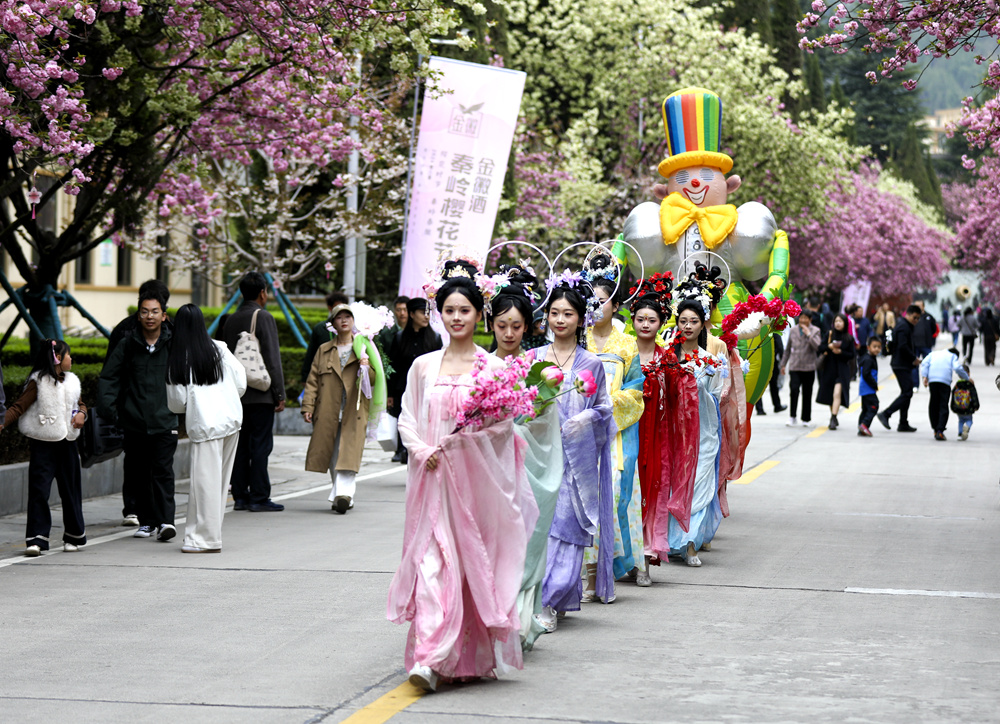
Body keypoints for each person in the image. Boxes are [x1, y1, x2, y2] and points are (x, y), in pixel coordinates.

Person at [386, 259, 538, 691]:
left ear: (479, 315)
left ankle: (461, 656)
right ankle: (429, 659)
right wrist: (422, 449)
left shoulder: (492, 369)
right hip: (431, 482)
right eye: (449, 310)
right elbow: (407, 418)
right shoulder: (423, 367)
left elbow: (503, 427)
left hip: (473, 488)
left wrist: (461, 443)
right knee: (432, 564)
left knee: (470, 568)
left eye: (464, 311)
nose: (456, 318)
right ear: (440, 314)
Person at [485, 264, 563, 650]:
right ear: (492, 325)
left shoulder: (538, 370)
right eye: (502, 325)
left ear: (527, 326)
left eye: (517, 325)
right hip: (486, 474)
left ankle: (518, 621)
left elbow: (546, 427)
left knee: (526, 546)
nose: (510, 333)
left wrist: (515, 428)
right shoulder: (478, 368)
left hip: (526, 474)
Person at [532, 274, 615, 632]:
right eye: (554, 313)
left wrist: (584, 417)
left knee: (567, 525)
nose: (560, 320)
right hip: (538, 458)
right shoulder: (533, 358)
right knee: (541, 528)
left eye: (568, 314)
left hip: (575, 461)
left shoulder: (590, 364)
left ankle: (555, 596)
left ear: (581, 319)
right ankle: (542, 598)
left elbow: (604, 409)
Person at [651, 268, 728, 567]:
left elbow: (718, 394)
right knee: (674, 483)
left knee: (700, 482)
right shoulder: (668, 357)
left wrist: (701, 380)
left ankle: (691, 542)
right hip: (673, 430)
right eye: (682, 321)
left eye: (693, 321)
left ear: (702, 323)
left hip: (704, 430)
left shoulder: (711, 360)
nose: (687, 326)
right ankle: (672, 540)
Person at [582, 251, 648, 595]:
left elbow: (636, 391)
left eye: (603, 301)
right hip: (580, 433)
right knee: (582, 498)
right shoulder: (578, 343)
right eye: (590, 301)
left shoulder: (627, 346)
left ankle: (605, 566)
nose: (597, 308)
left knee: (613, 496)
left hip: (617, 435)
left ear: (616, 304)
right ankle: (588, 570)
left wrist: (605, 406)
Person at [99, 289, 179, 541]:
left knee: (163, 472)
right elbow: (108, 378)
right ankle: (147, 521)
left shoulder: (173, 344)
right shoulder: (128, 344)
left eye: (155, 311)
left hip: (165, 421)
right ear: (138, 315)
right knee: (141, 474)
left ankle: (166, 521)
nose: (150, 316)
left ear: (164, 315)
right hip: (134, 423)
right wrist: (111, 412)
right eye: (144, 311)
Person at [166, 305, 247, 553]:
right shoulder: (220, 348)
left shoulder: (179, 357)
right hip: (231, 420)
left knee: (204, 485)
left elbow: (177, 403)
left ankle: (205, 539)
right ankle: (208, 534)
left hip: (205, 425)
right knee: (219, 484)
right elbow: (241, 381)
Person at [3, 340, 88, 555]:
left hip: (68, 445)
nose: (71, 359)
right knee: (39, 491)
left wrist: (82, 415)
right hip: (43, 445)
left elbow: (81, 405)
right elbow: (19, 406)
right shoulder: (38, 381)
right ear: (58, 358)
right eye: (68, 355)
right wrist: (2, 422)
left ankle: (73, 536)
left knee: (71, 491)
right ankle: (37, 539)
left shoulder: (72, 381)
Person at [302, 300, 387, 514]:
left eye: (348, 317)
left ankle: (343, 495)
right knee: (332, 452)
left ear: (353, 321)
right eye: (339, 318)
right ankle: (341, 494)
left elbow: (376, 379)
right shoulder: (324, 350)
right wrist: (308, 406)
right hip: (328, 409)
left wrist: (366, 367)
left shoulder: (364, 347)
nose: (344, 321)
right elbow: (312, 380)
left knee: (349, 451)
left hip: (354, 408)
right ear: (333, 323)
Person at [223, 272, 287, 512]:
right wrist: (279, 393)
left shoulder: (230, 320)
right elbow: (272, 357)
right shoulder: (263, 317)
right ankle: (259, 496)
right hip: (260, 395)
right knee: (260, 445)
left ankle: (240, 496)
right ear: (262, 293)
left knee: (240, 446)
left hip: (236, 395)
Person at [631, 273, 675, 583]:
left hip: (656, 434)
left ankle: (646, 558)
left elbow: (676, 402)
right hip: (627, 430)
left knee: (651, 492)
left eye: (652, 319)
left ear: (661, 323)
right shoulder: (623, 353)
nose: (646, 324)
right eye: (640, 319)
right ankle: (624, 557)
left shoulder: (667, 359)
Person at [387, 297, 442, 464]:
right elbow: (392, 367)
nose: (426, 317)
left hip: (427, 390)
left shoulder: (435, 339)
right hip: (402, 389)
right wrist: (390, 394)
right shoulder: (398, 338)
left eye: (428, 313)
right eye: (422, 313)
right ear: (412, 314)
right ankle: (402, 449)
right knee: (404, 420)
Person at [877, 304, 922, 433]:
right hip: (900, 364)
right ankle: (886, 414)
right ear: (908, 314)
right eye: (915, 317)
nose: (916, 321)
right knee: (907, 392)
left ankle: (903, 423)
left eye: (918, 318)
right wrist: (914, 358)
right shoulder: (903, 327)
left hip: (903, 363)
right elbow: (902, 346)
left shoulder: (906, 325)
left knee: (906, 393)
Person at [815, 313, 856, 431]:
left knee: (837, 393)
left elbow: (852, 355)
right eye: (836, 321)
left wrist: (840, 352)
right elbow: (820, 348)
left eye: (840, 321)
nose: (838, 323)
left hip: (842, 370)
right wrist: (830, 347)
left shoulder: (848, 338)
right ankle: (834, 414)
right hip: (829, 368)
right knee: (829, 394)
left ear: (845, 323)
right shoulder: (829, 334)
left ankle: (833, 418)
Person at [780, 312, 821, 427]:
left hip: (809, 367)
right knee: (794, 390)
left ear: (810, 319)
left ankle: (806, 418)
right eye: (801, 318)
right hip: (795, 366)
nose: (803, 320)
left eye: (805, 318)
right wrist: (783, 364)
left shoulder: (815, 331)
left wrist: (809, 334)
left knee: (807, 393)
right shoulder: (793, 330)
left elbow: (818, 346)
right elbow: (787, 349)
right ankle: (792, 416)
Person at [920, 346, 969, 441]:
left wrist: (924, 376)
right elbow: (957, 368)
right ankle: (940, 431)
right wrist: (967, 378)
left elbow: (925, 363)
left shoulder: (933, 353)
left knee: (933, 404)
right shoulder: (952, 356)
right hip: (945, 382)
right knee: (943, 405)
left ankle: (935, 428)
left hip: (933, 381)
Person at [301, 291, 350, 384]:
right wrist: (305, 377)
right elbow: (311, 353)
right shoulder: (320, 329)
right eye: (337, 308)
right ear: (330, 308)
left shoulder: (352, 329)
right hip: (324, 376)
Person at [755, 333, 786, 415]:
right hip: (772, 361)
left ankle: (759, 409)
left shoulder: (757, 330)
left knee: (759, 384)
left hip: (759, 360)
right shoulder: (773, 330)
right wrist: (783, 362)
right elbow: (780, 346)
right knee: (773, 384)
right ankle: (777, 405)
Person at [857, 337, 882, 437]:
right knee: (874, 405)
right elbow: (866, 374)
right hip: (868, 388)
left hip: (865, 388)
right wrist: (874, 385)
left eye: (879, 347)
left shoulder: (868, 358)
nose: (877, 349)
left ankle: (861, 428)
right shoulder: (868, 359)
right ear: (868, 347)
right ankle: (864, 424)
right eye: (874, 346)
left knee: (865, 409)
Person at [911, 301, 938, 387]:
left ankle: (929, 382)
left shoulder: (929, 317)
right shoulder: (912, 318)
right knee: (914, 366)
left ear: (923, 306)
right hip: (914, 345)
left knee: (928, 365)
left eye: (919, 306)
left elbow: (934, 329)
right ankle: (915, 385)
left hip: (926, 344)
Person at [951, 369, 979, 441]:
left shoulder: (957, 384)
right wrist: (976, 405)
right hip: (968, 407)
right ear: (968, 373)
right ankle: (967, 426)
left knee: (960, 421)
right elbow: (974, 395)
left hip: (959, 407)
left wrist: (952, 406)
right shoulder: (970, 384)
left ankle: (960, 434)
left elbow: (953, 395)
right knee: (969, 420)